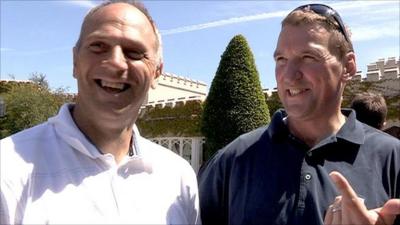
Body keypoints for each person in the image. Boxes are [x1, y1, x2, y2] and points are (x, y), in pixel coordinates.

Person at [198, 3, 400, 225]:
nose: (289, 75)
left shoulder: (392, 158)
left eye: (308, 57)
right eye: (281, 59)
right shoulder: (231, 160)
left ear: (348, 66)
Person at [0, 1, 200, 224]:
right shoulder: (7, 169)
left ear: (156, 72)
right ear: (75, 61)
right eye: (98, 46)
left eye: (134, 52)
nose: (116, 62)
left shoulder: (178, 176)